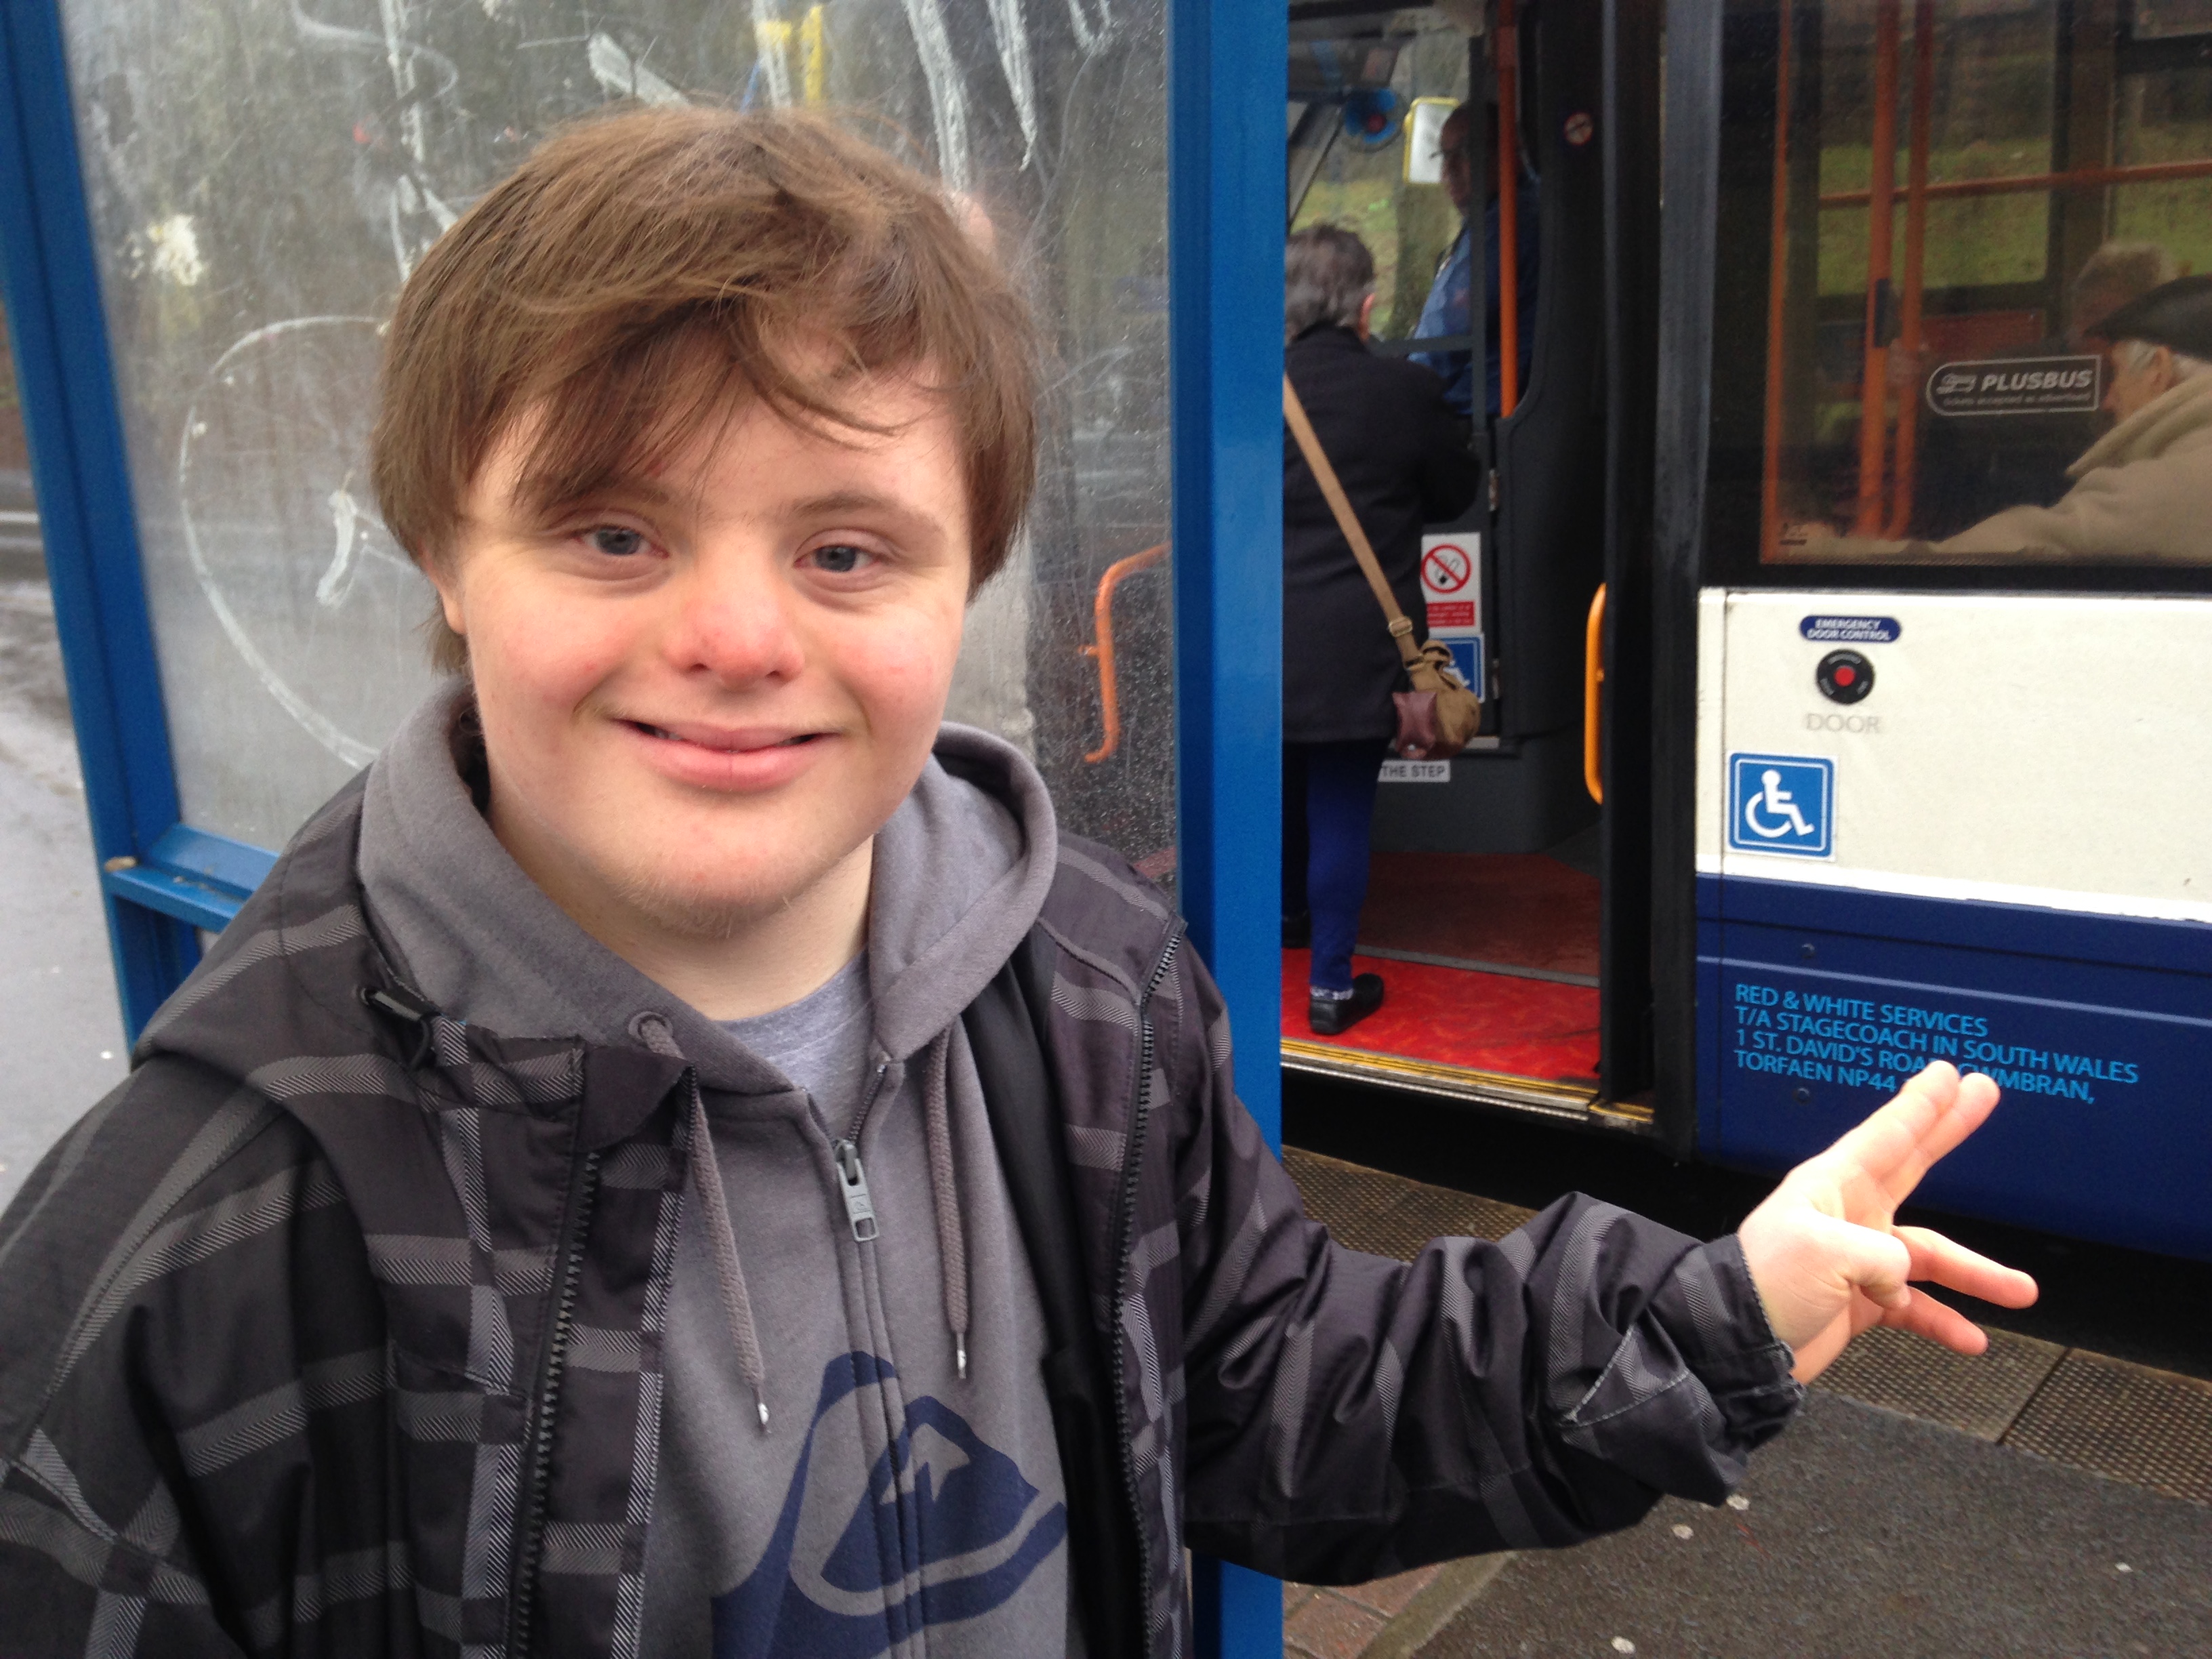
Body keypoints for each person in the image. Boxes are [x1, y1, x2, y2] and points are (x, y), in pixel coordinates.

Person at [0, 107, 2035, 1658]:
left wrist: (1709, 1316)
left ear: (969, 588)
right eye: (611, 535)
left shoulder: (1083, 991)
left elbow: (1269, 1399)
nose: (733, 635)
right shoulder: (194, 1256)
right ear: (446, 556)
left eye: (847, 550)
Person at [1283, 224, 1480, 1037]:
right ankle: (1331, 985)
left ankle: (1274, 936)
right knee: (1338, 808)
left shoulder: (1245, 387)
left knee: (1271, 801)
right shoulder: (1402, 393)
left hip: (1254, 654)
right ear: (1366, 307)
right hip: (1358, 651)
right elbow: (1456, 489)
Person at [1803, 274, 2212, 564]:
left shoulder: (2152, 495)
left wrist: (1825, 549)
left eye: (2118, 372)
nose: (2107, 400)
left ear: (2158, 370)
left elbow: (1982, 562)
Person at [1906, 240, 2179, 537]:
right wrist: (1923, 378)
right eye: (2090, 313)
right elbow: (1955, 424)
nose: (2096, 331)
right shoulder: (2020, 371)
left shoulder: (2182, 390)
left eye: (2118, 320)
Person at [1409, 101, 1540, 419]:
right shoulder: (1493, 220)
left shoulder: (1507, 226)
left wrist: (1397, 388)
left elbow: (1441, 345)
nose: (1448, 171)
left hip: (1477, 425)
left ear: (1510, 148)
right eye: (1443, 156)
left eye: (1465, 152)